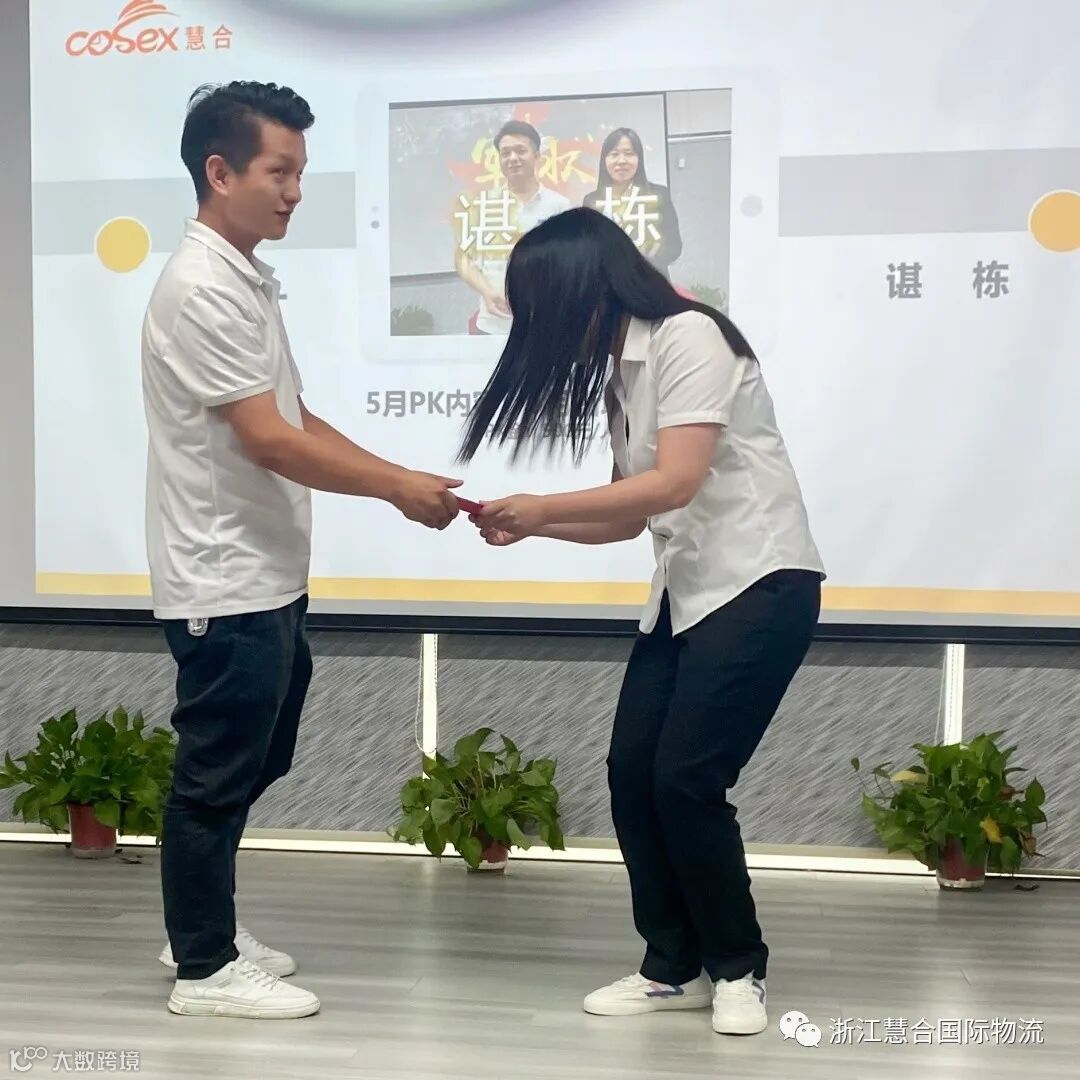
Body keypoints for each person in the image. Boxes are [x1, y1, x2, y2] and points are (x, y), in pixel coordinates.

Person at [459, 207, 824, 1036]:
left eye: (540, 305)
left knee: (687, 780)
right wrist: (532, 526)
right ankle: (672, 967)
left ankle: (738, 966)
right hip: (685, 592)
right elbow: (629, 517)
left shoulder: (690, 336)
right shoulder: (621, 371)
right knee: (633, 773)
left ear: (583, 287)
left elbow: (675, 482)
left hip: (759, 583)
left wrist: (545, 505)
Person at [142, 80, 462, 1020]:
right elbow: (271, 443)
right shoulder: (202, 287)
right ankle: (203, 969)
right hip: (224, 576)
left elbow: (296, 416)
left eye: (300, 174)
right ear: (220, 171)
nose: (293, 192)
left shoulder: (245, 276)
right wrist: (394, 490)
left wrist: (399, 475)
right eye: (279, 172)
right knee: (215, 776)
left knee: (259, 757)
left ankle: (200, 922)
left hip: (268, 572)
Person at [454, 119, 570, 335]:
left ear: (537, 156)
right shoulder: (483, 205)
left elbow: (570, 264)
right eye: (505, 153)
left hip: (543, 326)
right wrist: (486, 291)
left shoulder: (559, 206)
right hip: (493, 325)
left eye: (520, 151)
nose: (513, 158)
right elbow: (465, 260)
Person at [584, 127, 682, 275]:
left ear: (639, 159)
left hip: (651, 280)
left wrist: (645, 264)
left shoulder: (658, 195)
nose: (621, 160)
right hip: (608, 283)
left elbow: (674, 245)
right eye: (614, 154)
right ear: (604, 160)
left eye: (629, 154)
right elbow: (587, 249)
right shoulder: (592, 201)